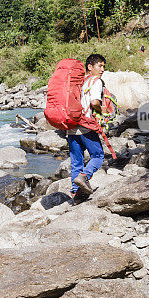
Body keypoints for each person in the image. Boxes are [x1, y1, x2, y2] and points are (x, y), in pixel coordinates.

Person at [67, 53, 106, 203]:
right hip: (85, 126)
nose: (102, 69)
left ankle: (76, 195)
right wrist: (103, 110)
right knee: (98, 156)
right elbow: (95, 102)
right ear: (90, 67)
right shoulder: (96, 81)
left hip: (71, 127)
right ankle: (85, 176)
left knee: (76, 162)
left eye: (103, 66)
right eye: (100, 66)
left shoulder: (78, 82)